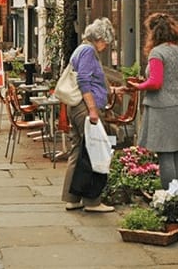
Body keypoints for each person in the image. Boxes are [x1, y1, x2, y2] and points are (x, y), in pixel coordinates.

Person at [128, 13, 178, 190]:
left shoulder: (157, 53)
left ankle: (170, 197)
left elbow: (156, 82)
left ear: (154, 32)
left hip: (161, 108)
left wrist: (138, 86)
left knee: (165, 154)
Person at [61, 17, 122, 213]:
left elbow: (92, 80)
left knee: (78, 151)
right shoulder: (88, 51)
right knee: (95, 152)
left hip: (79, 107)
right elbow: (85, 81)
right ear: (99, 38)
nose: (106, 46)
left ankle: (72, 198)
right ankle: (92, 200)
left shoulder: (82, 49)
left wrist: (110, 90)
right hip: (85, 108)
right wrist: (93, 109)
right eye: (105, 42)